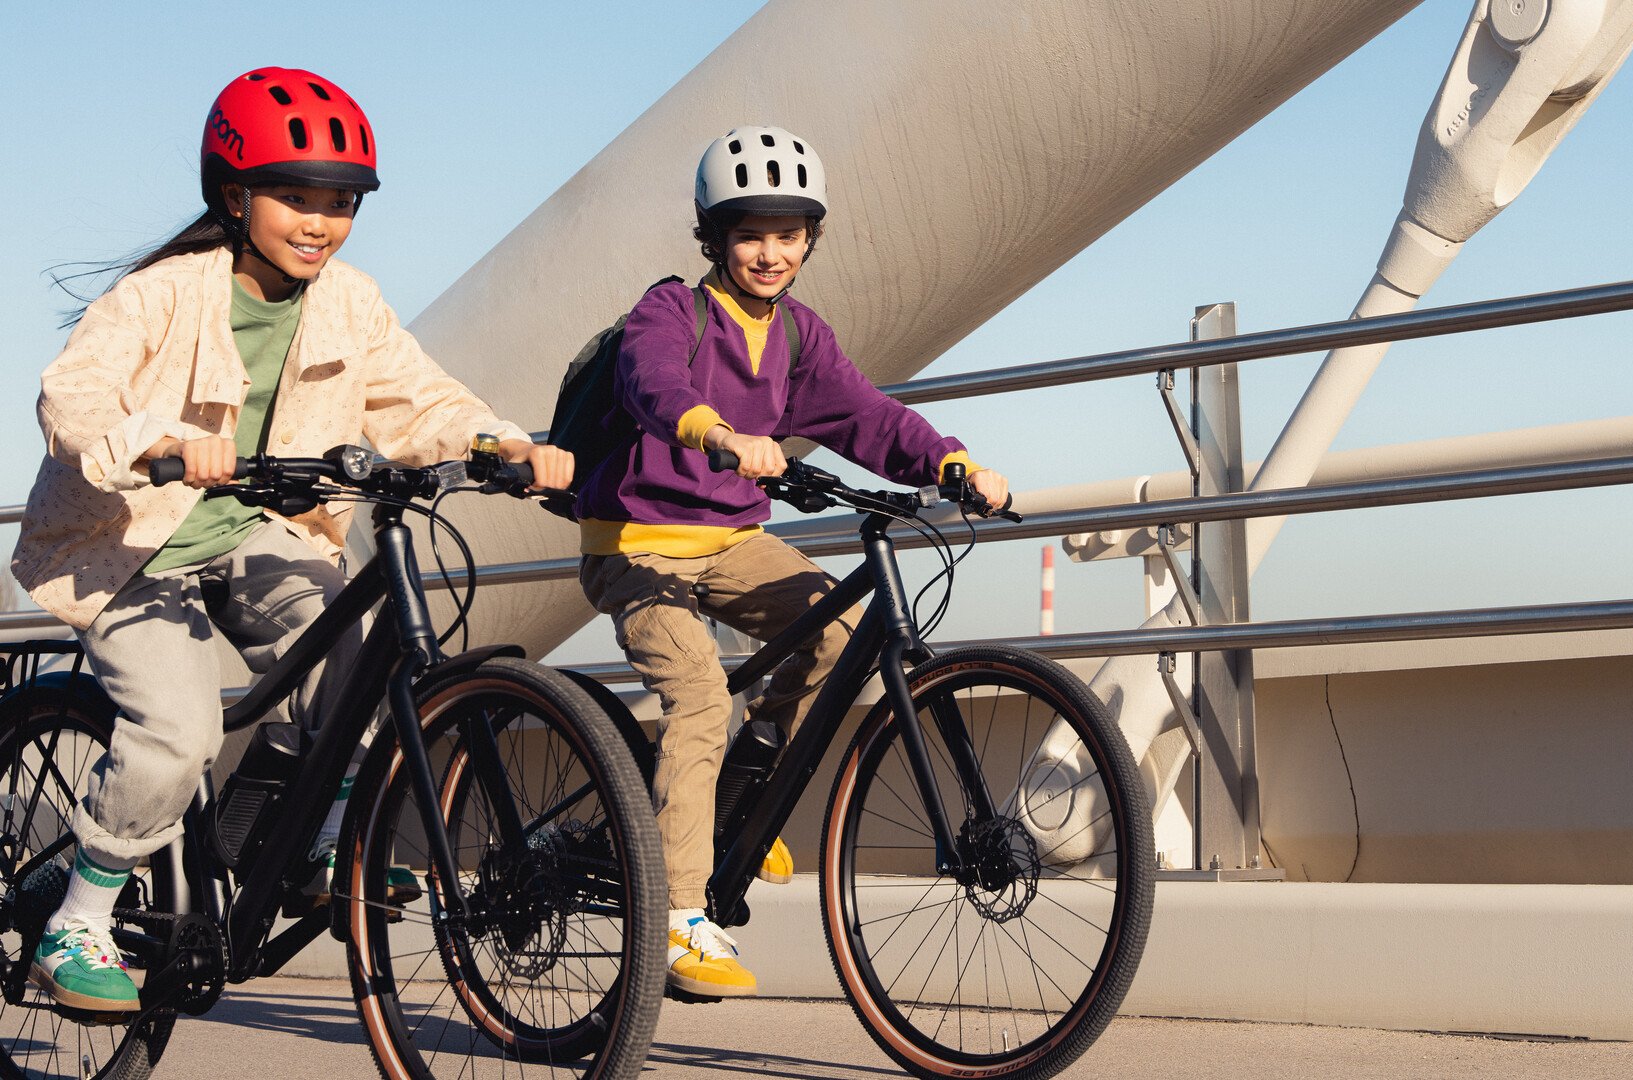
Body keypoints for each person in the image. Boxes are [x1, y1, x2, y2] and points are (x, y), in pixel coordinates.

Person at [12, 67, 571, 1014]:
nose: (319, 221)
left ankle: (317, 843)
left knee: (354, 667)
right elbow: (73, 394)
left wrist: (500, 442)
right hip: (134, 542)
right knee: (179, 731)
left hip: (267, 528)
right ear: (234, 196)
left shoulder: (350, 299)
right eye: (295, 197)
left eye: (340, 202)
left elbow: (415, 396)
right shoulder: (161, 296)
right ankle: (77, 919)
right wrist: (160, 443)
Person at [573, 125, 1009, 1000]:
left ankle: (742, 792)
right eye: (748, 234)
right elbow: (654, 384)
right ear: (714, 238)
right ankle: (677, 915)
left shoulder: (800, 335)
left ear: (811, 237)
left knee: (836, 638)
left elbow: (865, 417)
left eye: (788, 233)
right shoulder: (673, 312)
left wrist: (949, 462)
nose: (769, 252)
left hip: (733, 540)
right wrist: (720, 435)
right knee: (698, 692)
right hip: (635, 542)